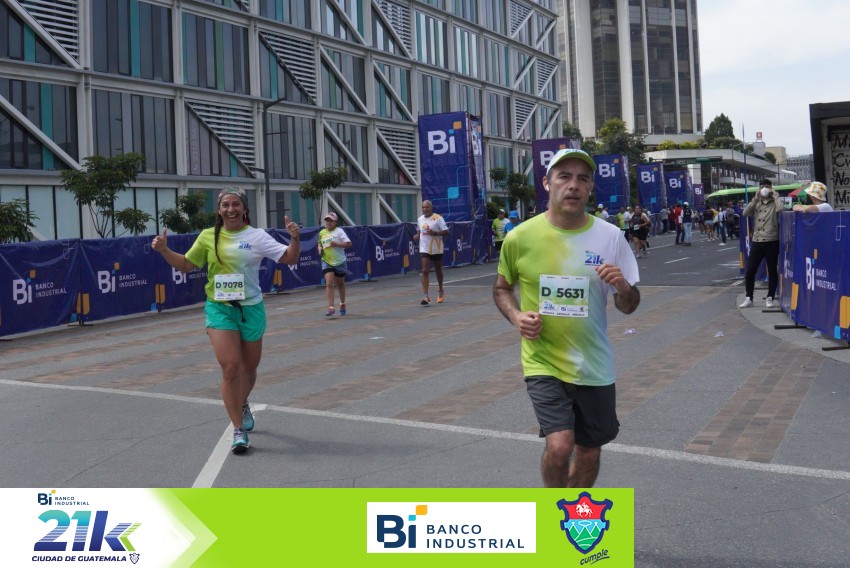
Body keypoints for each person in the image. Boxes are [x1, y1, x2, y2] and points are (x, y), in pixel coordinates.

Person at [492, 148, 640, 488]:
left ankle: (570, 513)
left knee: (588, 453)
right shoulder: (519, 238)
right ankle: (553, 510)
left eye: (582, 179)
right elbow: (501, 288)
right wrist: (516, 316)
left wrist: (622, 287)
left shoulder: (610, 237)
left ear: (590, 189)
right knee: (559, 447)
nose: (573, 185)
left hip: (593, 365)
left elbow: (630, 305)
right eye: (564, 177)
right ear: (547, 184)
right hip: (542, 361)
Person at [151, 187, 301, 454]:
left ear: (244, 208)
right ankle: (238, 429)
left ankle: (242, 402)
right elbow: (186, 265)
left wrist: (295, 239)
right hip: (219, 309)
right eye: (225, 205)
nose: (231, 209)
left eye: (236, 204)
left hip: (251, 309)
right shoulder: (208, 236)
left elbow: (289, 257)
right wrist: (164, 250)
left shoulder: (256, 236)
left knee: (249, 369)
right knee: (231, 368)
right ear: (219, 210)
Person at [739, 179, 783, 309]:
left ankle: (770, 297)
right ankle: (749, 298)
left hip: (771, 240)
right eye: (762, 186)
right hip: (757, 240)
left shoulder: (775, 202)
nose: (764, 189)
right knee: (750, 271)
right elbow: (745, 213)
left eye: (767, 186)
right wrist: (755, 199)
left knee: (772, 271)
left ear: (771, 188)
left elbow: (781, 209)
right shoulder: (756, 202)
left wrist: (775, 195)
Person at [414, 200, 449, 305]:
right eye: (423, 207)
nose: (425, 209)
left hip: (436, 248)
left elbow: (447, 232)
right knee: (425, 270)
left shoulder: (438, 218)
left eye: (427, 207)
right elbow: (419, 231)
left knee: (438, 269)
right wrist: (417, 236)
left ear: (431, 208)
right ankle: (425, 296)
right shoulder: (420, 219)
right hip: (424, 248)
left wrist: (434, 233)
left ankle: (440, 289)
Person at [318, 211, 352, 316]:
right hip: (326, 261)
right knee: (329, 283)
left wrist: (337, 244)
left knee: (340, 284)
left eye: (331, 220)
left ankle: (342, 303)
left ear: (335, 222)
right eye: (327, 220)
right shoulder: (322, 232)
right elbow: (319, 243)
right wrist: (319, 249)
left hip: (339, 261)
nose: (328, 222)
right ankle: (331, 307)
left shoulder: (339, 232)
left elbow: (349, 244)